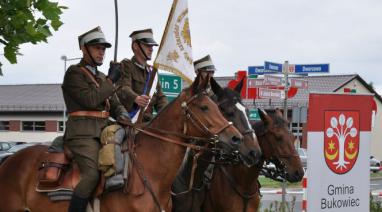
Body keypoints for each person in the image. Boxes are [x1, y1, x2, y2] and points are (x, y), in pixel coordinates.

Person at [62, 26, 130, 212]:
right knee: (92, 174)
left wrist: (123, 114)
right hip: (82, 134)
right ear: (84, 49)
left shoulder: (101, 77)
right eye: (97, 48)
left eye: (103, 49)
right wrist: (111, 81)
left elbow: (114, 104)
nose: (101, 52)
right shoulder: (74, 73)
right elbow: (90, 100)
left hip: (105, 130)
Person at [115, 28, 167, 122]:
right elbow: (124, 88)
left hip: (149, 123)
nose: (151, 49)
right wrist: (136, 98)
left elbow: (160, 98)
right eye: (147, 45)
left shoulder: (153, 72)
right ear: (135, 46)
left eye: (152, 46)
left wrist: (169, 112)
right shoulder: (126, 65)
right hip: (129, 121)